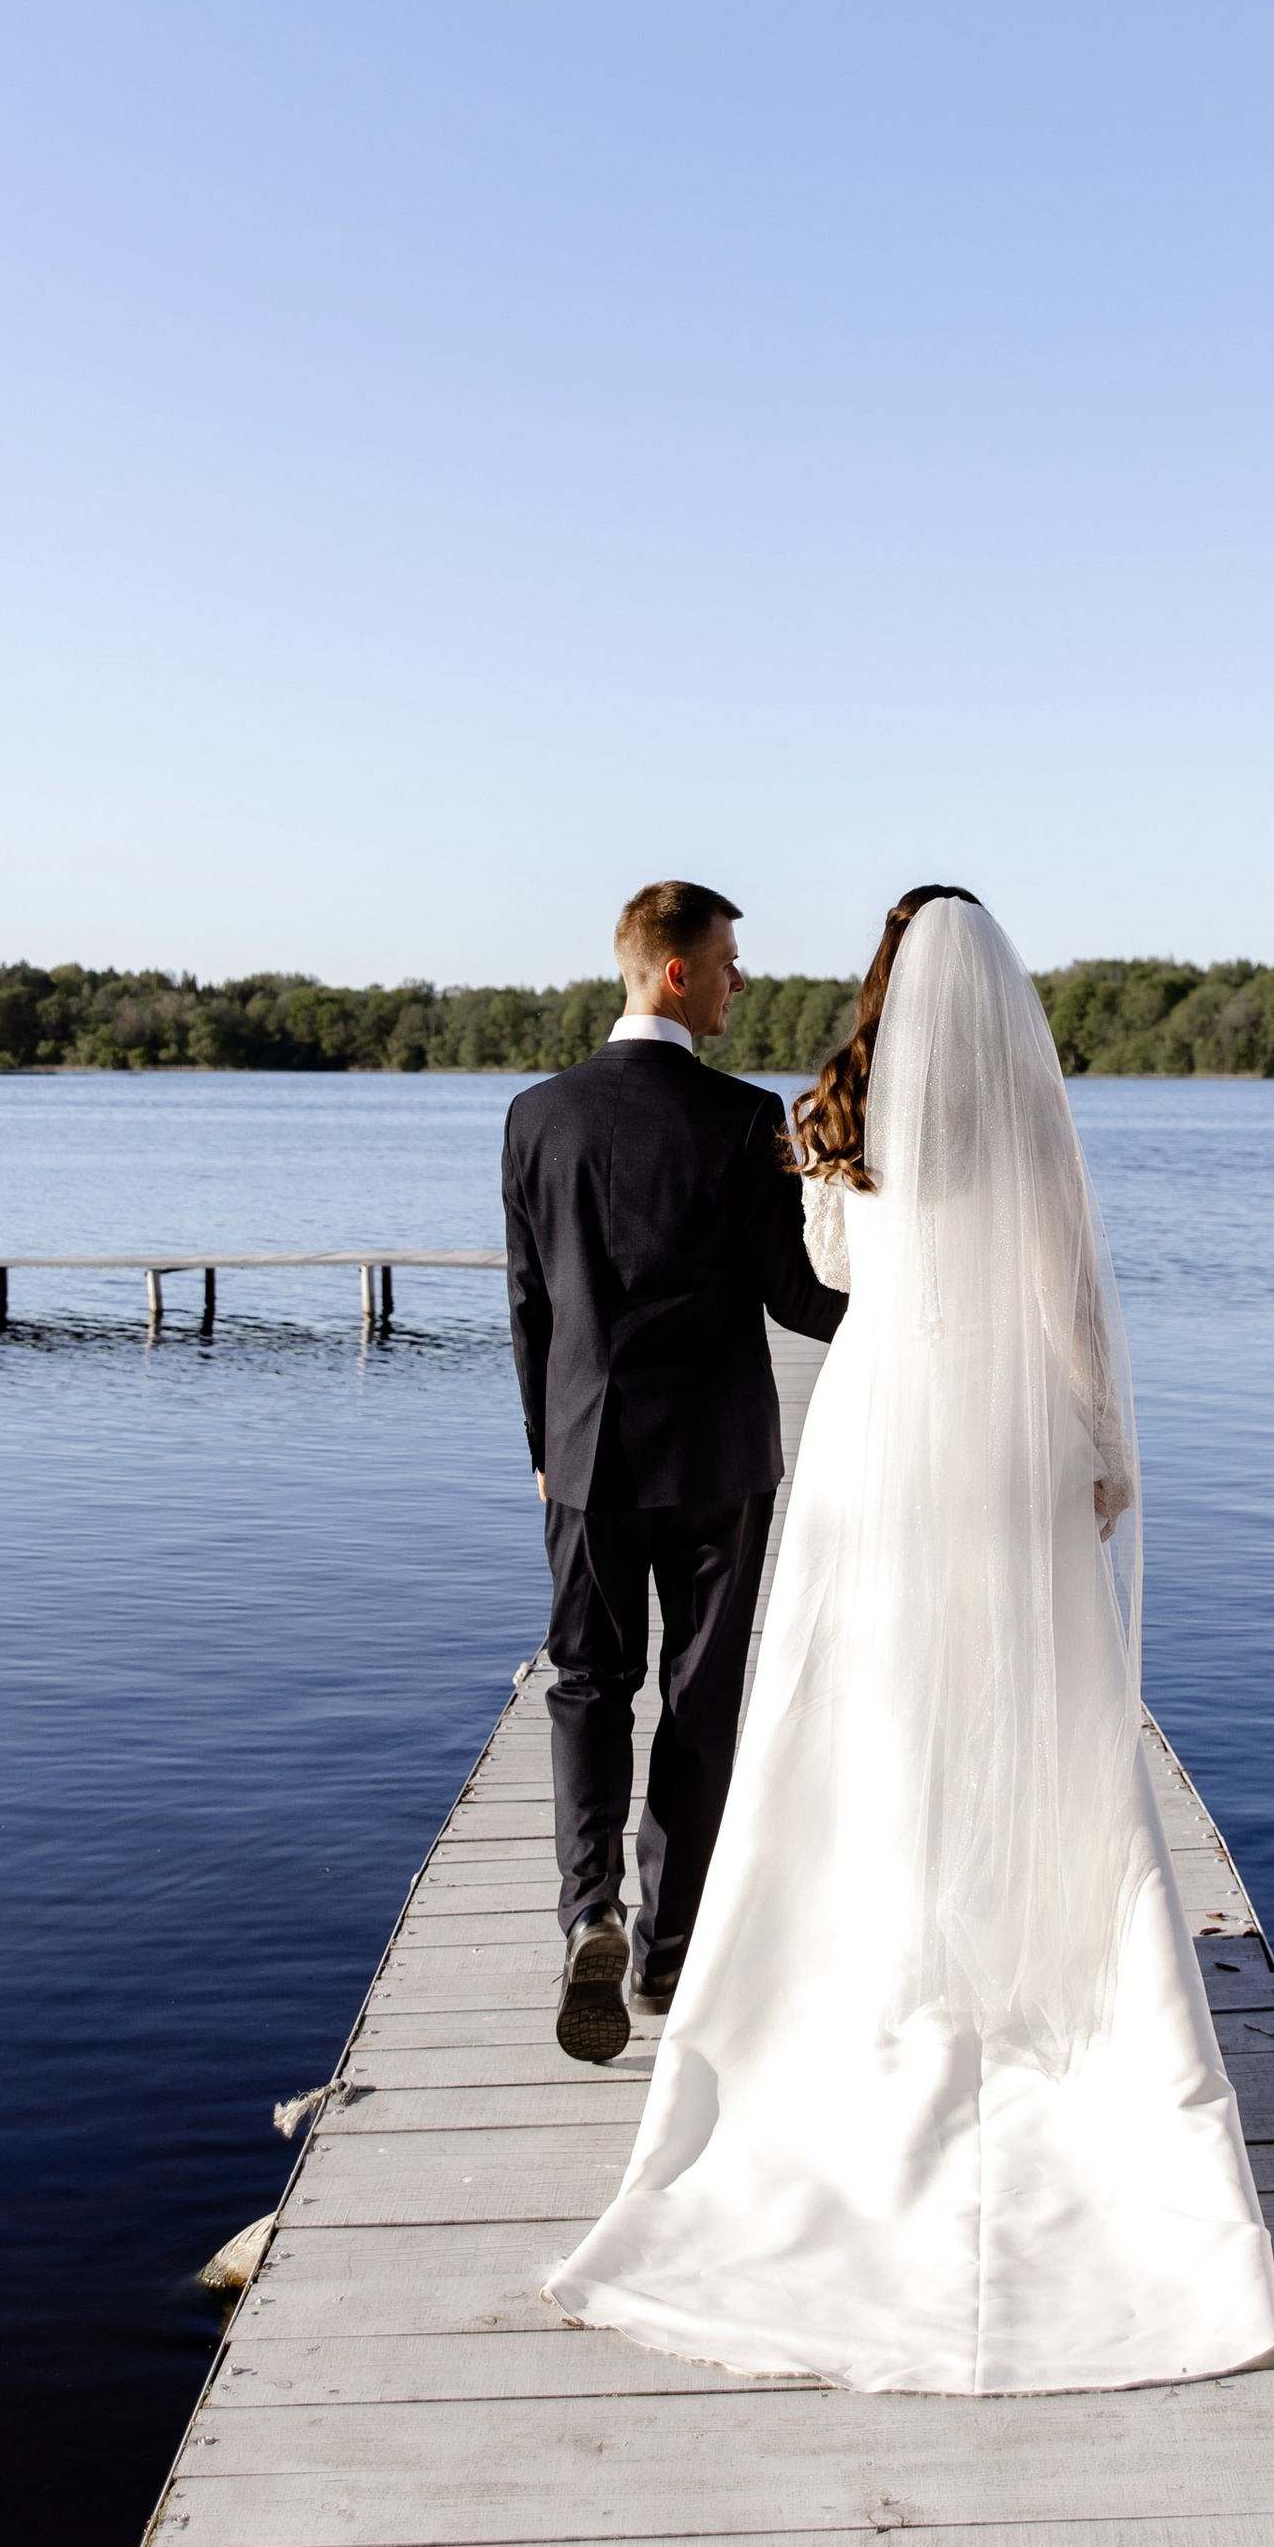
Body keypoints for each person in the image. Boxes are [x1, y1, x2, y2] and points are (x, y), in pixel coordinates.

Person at [546, 886, 1274, 2391]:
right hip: (1007, 1451)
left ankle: (864, 1965)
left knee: (872, 1713)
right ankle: (1027, 1974)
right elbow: (1072, 1300)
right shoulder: (1027, 1128)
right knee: (1033, 1710)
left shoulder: (828, 1119)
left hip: (876, 1448)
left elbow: (829, 1285)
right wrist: (1099, 1447)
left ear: (886, 990)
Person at [502, 879, 850, 2064]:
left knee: (588, 1688)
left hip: (586, 1453)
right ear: (678, 974)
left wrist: (546, 1452)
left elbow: (529, 1304)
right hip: (719, 1459)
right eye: (731, 961)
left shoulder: (535, 1116)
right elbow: (795, 1299)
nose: (743, 982)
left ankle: (586, 1909)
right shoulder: (743, 1118)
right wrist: (924, 1312)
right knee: (698, 1706)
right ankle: (662, 1958)